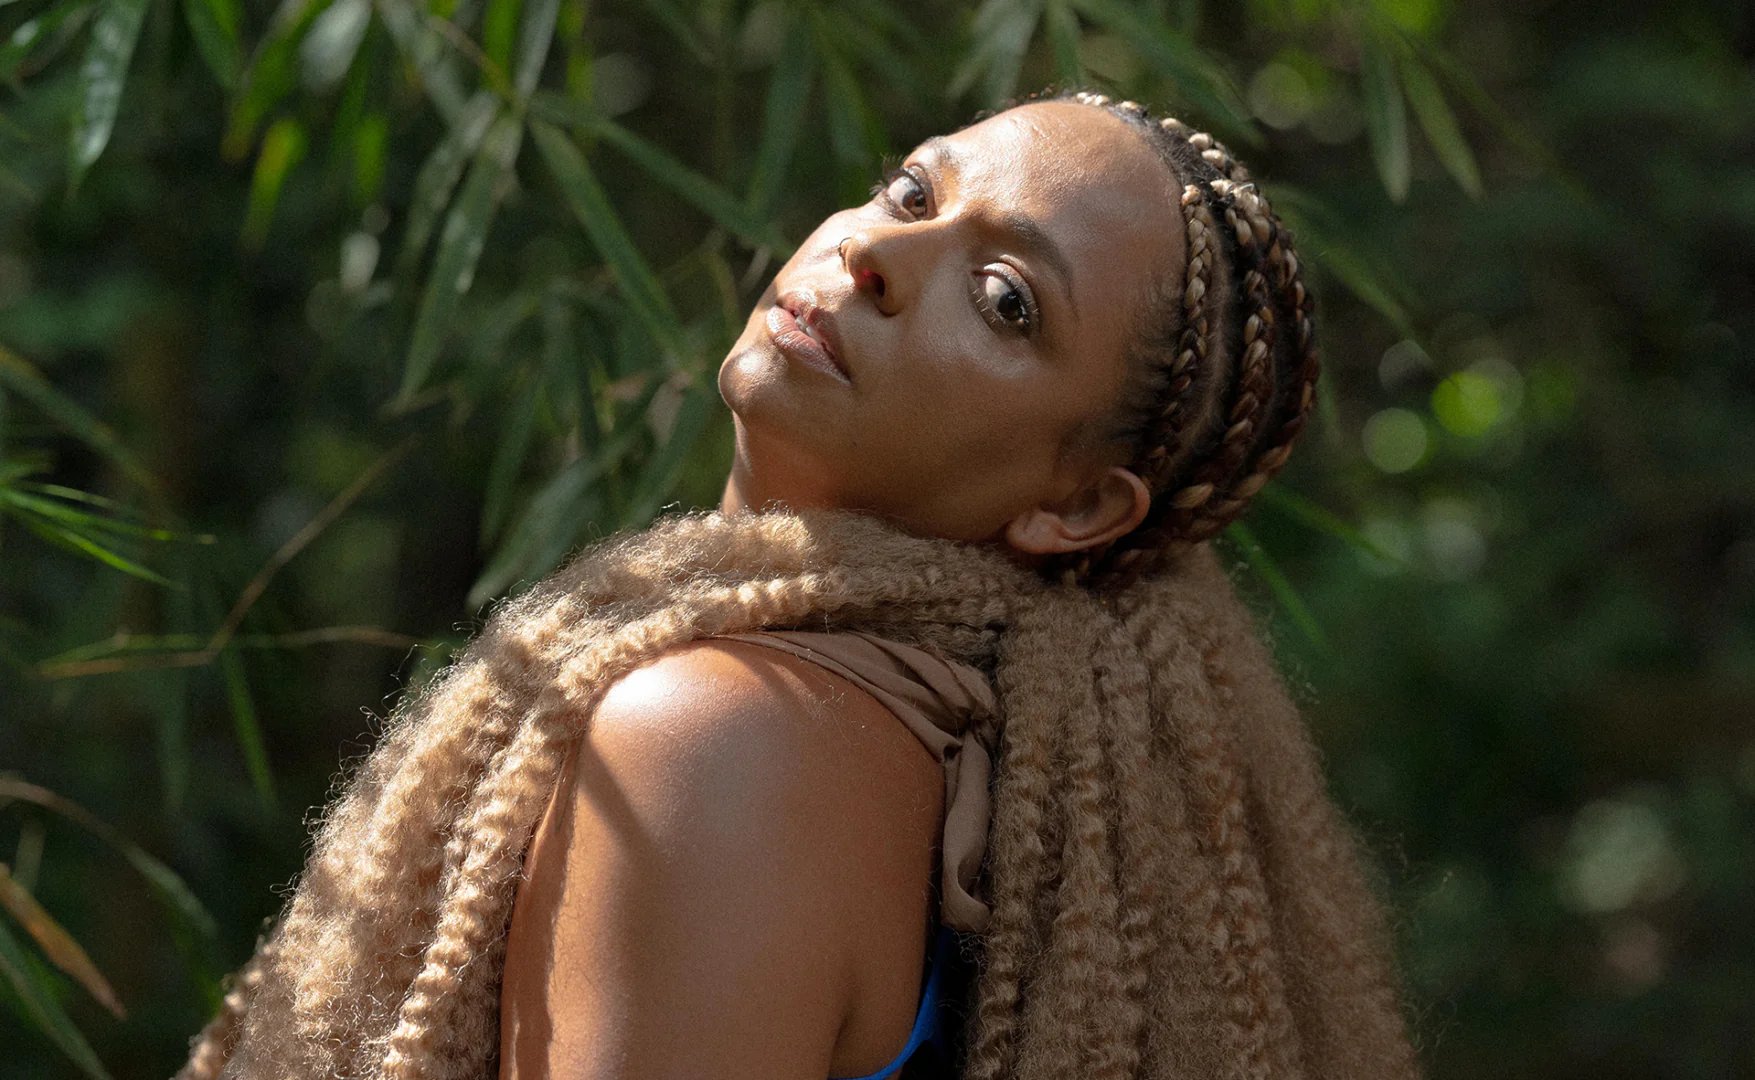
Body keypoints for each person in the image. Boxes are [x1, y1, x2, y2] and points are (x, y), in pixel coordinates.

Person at [178, 91, 1418, 1080]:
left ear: (1077, 506)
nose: (877, 250)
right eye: (911, 190)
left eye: (1004, 300)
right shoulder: (968, 766)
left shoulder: (728, 739)